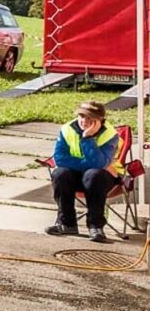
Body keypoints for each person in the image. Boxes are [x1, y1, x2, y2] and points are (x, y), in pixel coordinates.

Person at [49, 100, 119, 242]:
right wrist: (90, 165)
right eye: (82, 116)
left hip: (103, 179)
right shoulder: (67, 129)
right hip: (76, 176)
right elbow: (60, 159)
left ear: (100, 120)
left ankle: (95, 226)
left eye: (89, 118)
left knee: (93, 175)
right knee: (60, 174)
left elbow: (97, 163)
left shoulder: (110, 134)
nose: (84, 121)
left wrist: (88, 138)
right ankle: (66, 223)